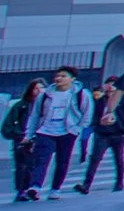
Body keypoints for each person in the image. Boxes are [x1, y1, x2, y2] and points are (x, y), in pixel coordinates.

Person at [25, 69, 93, 199]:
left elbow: (87, 114)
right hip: (46, 131)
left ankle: (55, 189)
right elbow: (35, 115)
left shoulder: (82, 94)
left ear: (72, 79)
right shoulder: (45, 95)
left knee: (62, 161)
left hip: (67, 131)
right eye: (57, 76)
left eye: (63, 76)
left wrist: (77, 129)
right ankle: (35, 187)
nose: (59, 78)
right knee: (41, 159)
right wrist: (30, 134)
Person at [79, 79, 124, 194]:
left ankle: (119, 183)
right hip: (102, 133)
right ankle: (86, 184)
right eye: (108, 84)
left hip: (119, 133)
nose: (110, 87)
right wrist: (96, 125)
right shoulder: (100, 101)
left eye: (113, 85)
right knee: (95, 159)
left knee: (119, 159)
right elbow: (95, 115)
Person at [6, 79, 41, 202]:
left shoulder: (47, 106)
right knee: (22, 166)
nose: (39, 91)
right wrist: (19, 136)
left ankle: (32, 189)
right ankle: (21, 190)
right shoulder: (21, 105)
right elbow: (7, 126)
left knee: (35, 166)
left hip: (40, 139)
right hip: (22, 139)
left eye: (41, 88)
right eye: (36, 88)